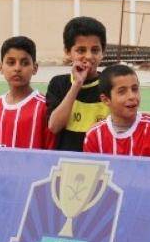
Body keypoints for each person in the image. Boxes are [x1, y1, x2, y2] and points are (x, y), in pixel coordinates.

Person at [46, 17, 110, 151]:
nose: (89, 56)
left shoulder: (110, 84)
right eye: (81, 50)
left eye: (95, 50)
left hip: (101, 159)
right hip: (68, 160)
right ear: (68, 52)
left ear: (103, 52)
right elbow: (54, 126)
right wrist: (77, 84)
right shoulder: (58, 84)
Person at [83, 64, 150, 158]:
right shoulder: (94, 135)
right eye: (122, 91)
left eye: (135, 89)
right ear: (106, 100)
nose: (132, 96)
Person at [0, 36, 55, 149]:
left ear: (35, 68)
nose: (17, 68)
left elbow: (51, 150)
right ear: (0, 67)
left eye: (24, 63)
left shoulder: (44, 106)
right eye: (11, 63)